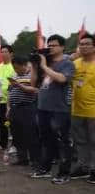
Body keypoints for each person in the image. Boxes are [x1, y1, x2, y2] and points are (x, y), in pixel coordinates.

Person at [30, 35, 75, 184]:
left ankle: (64, 173)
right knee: (46, 140)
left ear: (62, 47)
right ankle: (45, 168)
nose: (50, 48)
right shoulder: (45, 63)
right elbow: (34, 83)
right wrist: (35, 66)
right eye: (49, 45)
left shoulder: (67, 63)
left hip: (59, 109)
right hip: (43, 107)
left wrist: (43, 66)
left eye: (54, 45)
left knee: (63, 142)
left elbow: (62, 79)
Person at [69, 33, 95, 184]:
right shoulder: (75, 63)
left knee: (94, 141)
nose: (83, 46)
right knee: (80, 141)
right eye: (82, 44)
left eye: (87, 44)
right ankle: (83, 166)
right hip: (76, 109)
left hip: (93, 111)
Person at [6, 56, 40, 167]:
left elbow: (35, 90)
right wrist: (8, 108)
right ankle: (22, 158)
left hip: (27, 108)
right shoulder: (13, 76)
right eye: (14, 68)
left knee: (30, 134)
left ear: (24, 65)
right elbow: (9, 94)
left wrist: (19, 85)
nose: (16, 70)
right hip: (14, 108)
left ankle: (35, 159)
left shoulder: (32, 76)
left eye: (17, 67)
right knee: (17, 134)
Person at [0, 45, 16, 159]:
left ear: (11, 53)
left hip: (11, 99)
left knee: (12, 124)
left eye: (5, 52)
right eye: (1, 52)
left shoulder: (14, 66)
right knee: (1, 124)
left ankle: (14, 145)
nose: (3, 54)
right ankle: (2, 144)